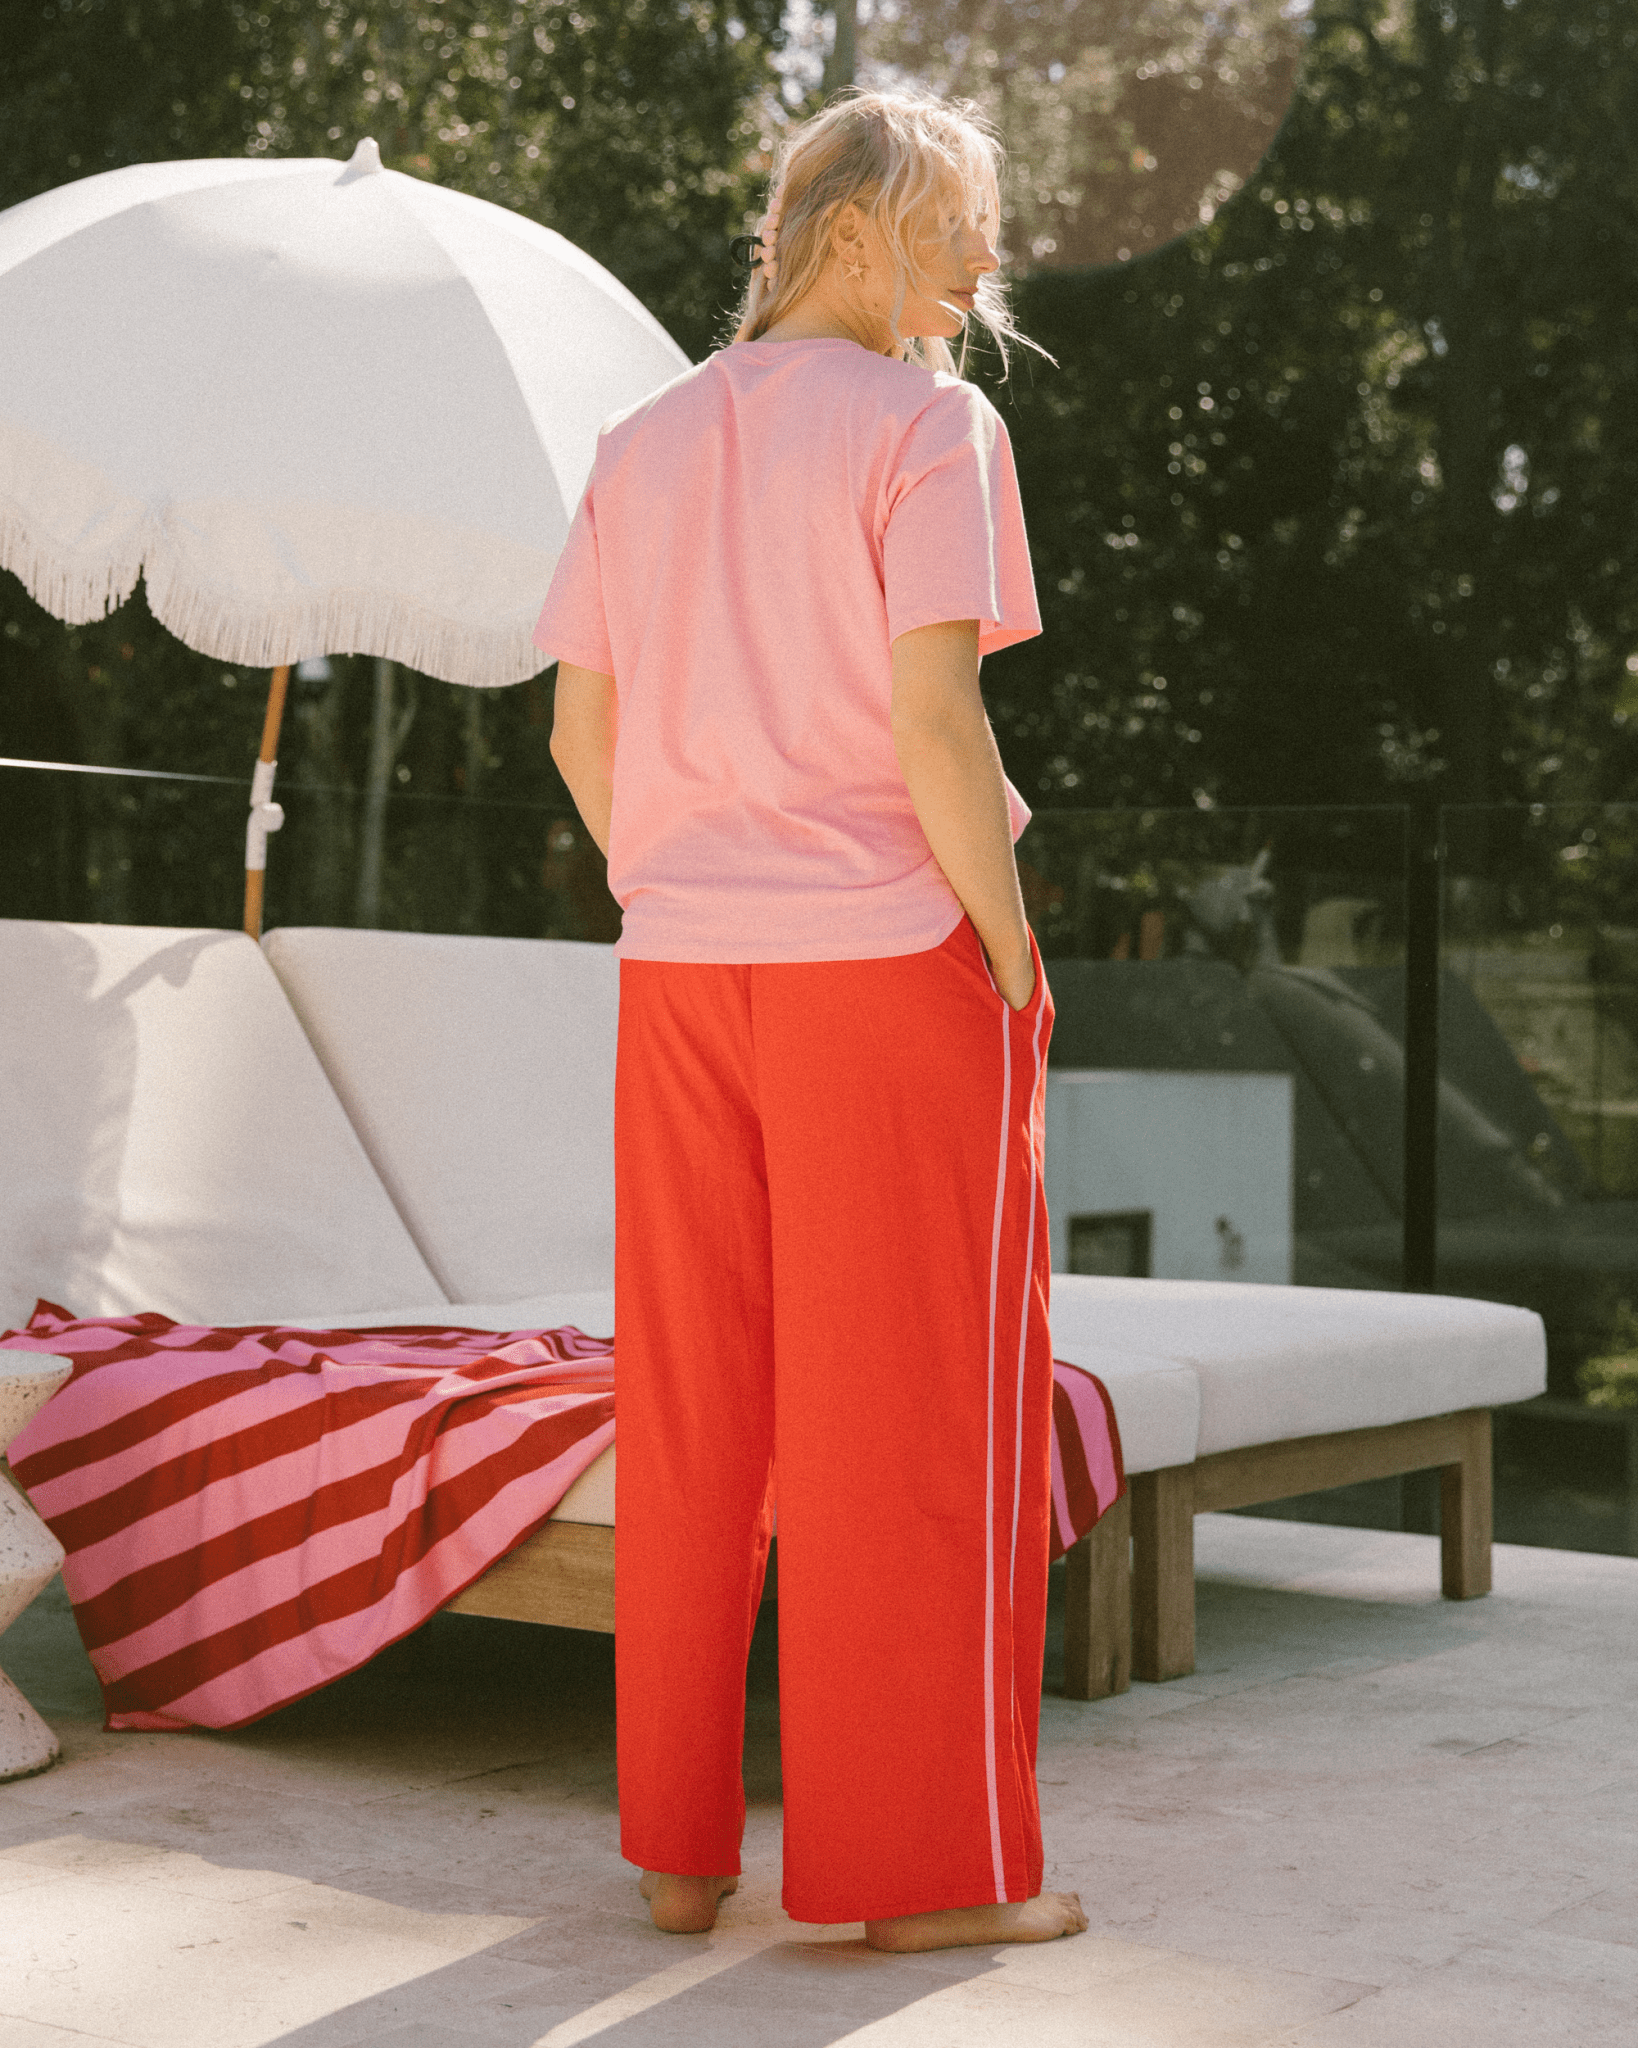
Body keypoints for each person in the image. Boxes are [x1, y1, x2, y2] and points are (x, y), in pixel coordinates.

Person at [535, 87, 1086, 1955]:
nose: (985, 262)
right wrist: (1006, 948)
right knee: (910, 1420)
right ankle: (914, 1880)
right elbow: (937, 722)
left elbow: (580, 734)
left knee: (695, 1407)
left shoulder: (639, 441)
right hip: (885, 970)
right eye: (960, 224)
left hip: (681, 973)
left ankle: (679, 1857)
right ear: (851, 230)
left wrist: (690, 883)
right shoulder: (931, 425)